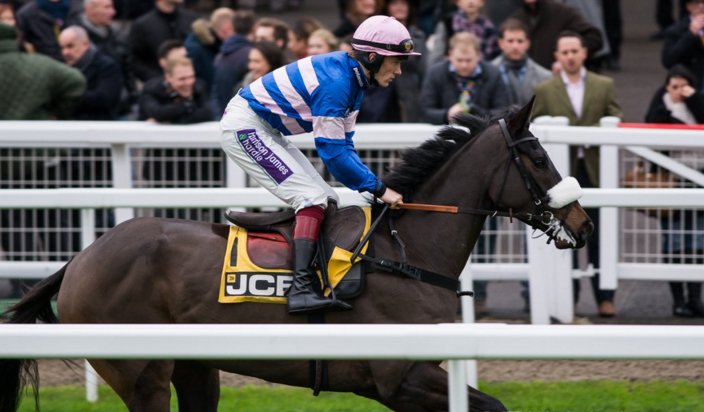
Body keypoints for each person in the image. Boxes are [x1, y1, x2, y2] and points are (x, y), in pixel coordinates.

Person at [220, 15, 419, 314]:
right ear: (373, 57)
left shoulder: (354, 80)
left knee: (327, 198)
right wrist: (379, 189)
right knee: (311, 198)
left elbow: (344, 146)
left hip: (263, 127)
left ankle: (310, 279)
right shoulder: (337, 83)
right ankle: (300, 288)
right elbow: (333, 155)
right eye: (396, 62)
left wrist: (375, 185)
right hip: (245, 127)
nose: (399, 71)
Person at [531, 31, 623, 317]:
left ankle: (605, 297)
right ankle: (568, 297)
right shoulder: (545, 89)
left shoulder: (603, 84)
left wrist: (589, 134)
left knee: (599, 232)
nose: (570, 56)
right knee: (564, 230)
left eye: (574, 51)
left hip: (595, 167)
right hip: (562, 170)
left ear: (584, 53)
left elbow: (615, 116)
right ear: (557, 56)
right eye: (565, 52)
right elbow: (536, 124)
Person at [644, 65, 704, 317]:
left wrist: (694, 99)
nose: (679, 91)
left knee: (698, 240)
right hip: (671, 180)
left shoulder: (697, 104)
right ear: (666, 87)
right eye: (674, 86)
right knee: (675, 240)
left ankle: (695, 298)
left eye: (684, 86)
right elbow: (652, 126)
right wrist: (669, 106)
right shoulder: (661, 106)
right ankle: (678, 299)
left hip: (699, 179)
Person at [420, 32, 509, 125]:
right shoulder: (435, 73)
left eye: (468, 60)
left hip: (483, 131)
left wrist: (476, 112)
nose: (464, 65)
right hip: (445, 130)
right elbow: (425, 111)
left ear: (478, 56)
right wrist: (447, 115)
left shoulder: (493, 74)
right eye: (459, 60)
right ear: (450, 55)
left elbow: (502, 112)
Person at [511, 0, 603, 72]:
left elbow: (594, 38)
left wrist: (568, 57)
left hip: (563, 82)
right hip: (531, 83)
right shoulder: (517, 19)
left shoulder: (562, 12)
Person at [59, 25, 123, 120]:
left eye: (70, 46)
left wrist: (69, 96)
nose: (65, 52)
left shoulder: (107, 66)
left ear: (85, 44)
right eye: (62, 48)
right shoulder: (63, 67)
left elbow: (105, 99)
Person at [128, 0, 198, 82]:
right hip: (157, 83)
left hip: (192, 83)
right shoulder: (142, 25)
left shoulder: (192, 20)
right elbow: (133, 59)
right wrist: (156, 79)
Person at [491, 18, 551, 106]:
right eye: (510, 41)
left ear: (527, 43)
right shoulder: (488, 73)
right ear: (501, 43)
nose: (515, 46)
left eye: (520, 41)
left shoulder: (544, 77)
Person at [139, 56, 212, 124]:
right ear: (168, 78)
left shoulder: (199, 86)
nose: (188, 83)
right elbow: (158, 113)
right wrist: (187, 106)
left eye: (191, 77)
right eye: (182, 79)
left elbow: (207, 114)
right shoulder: (152, 90)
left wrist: (170, 121)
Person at [430, 0, 500, 66]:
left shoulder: (489, 27)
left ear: (482, 2)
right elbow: (437, 55)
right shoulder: (448, 23)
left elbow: (494, 55)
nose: (470, 1)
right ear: (458, 2)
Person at [212, 9, 255, 116]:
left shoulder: (220, 55)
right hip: (241, 115)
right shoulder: (251, 55)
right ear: (253, 28)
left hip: (224, 114)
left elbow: (215, 92)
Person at [661, 0, 704, 93]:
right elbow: (668, 60)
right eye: (696, 2)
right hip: (694, 83)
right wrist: (690, 35)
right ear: (688, 6)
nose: (701, 6)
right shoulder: (676, 30)